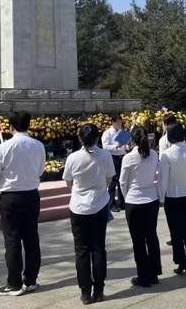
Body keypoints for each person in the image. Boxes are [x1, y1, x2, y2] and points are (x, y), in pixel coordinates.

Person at [0, 112, 46, 297]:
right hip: (31, 195)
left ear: (11, 127)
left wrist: (1, 187)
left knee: (12, 240)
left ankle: (14, 283)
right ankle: (30, 280)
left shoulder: (4, 147)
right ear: (28, 125)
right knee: (31, 239)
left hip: (10, 197)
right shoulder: (38, 145)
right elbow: (40, 170)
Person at [62, 124, 116, 305]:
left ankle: (85, 292)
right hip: (100, 204)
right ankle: (99, 290)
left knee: (82, 250)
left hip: (79, 207)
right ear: (97, 137)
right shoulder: (105, 155)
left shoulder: (73, 158)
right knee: (99, 247)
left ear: (80, 138)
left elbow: (68, 183)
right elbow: (109, 179)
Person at [120, 127, 162, 287]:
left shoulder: (129, 158)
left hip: (135, 201)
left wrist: (126, 198)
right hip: (151, 200)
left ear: (132, 139)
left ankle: (143, 276)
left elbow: (123, 182)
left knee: (138, 241)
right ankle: (154, 273)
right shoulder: (154, 154)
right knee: (151, 237)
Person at [158, 122, 186, 275]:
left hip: (173, 196)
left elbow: (163, 179)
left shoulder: (167, 155)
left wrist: (161, 197)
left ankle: (181, 260)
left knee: (176, 231)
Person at [101, 114, 127, 212]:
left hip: (122, 157)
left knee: (121, 180)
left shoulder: (123, 132)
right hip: (112, 158)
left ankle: (121, 202)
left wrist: (126, 146)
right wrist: (116, 146)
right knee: (112, 181)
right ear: (113, 122)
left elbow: (125, 146)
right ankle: (111, 204)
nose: (120, 124)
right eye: (118, 123)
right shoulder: (107, 133)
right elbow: (105, 147)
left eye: (121, 123)